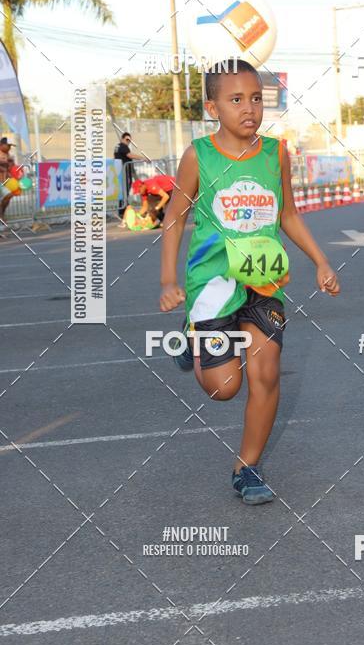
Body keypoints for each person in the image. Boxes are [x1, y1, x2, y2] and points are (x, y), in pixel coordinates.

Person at [159, 59, 340, 505]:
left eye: (256, 98)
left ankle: (248, 468)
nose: (249, 109)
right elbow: (174, 218)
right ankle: (192, 335)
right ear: (212, 107)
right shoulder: (197, 157)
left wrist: (320, 260)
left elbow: (288, 215)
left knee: (265, 371)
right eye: (236, 99)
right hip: (212, 286)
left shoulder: (275, 153)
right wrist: (168, 280)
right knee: (224, 388)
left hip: (264, 283)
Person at [114, 132, 147, 217]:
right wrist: (142, 158)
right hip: (124, 172)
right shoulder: (123, 147)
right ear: (123, 138)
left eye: (130, 140)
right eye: (127, 139)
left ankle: (124, 210)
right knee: (125, 191)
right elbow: (130, 155)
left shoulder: (117, 147)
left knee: (124, 192)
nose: (128, 141)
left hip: (122, 172)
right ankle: (123, 211)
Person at [0, 136, 16, 233]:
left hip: (4, 182)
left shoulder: (8, 155)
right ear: (1, 145)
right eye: (8, 145)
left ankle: (2, 215)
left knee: (8, 196)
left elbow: (11, 167)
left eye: (10, 146)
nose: (9, 148)